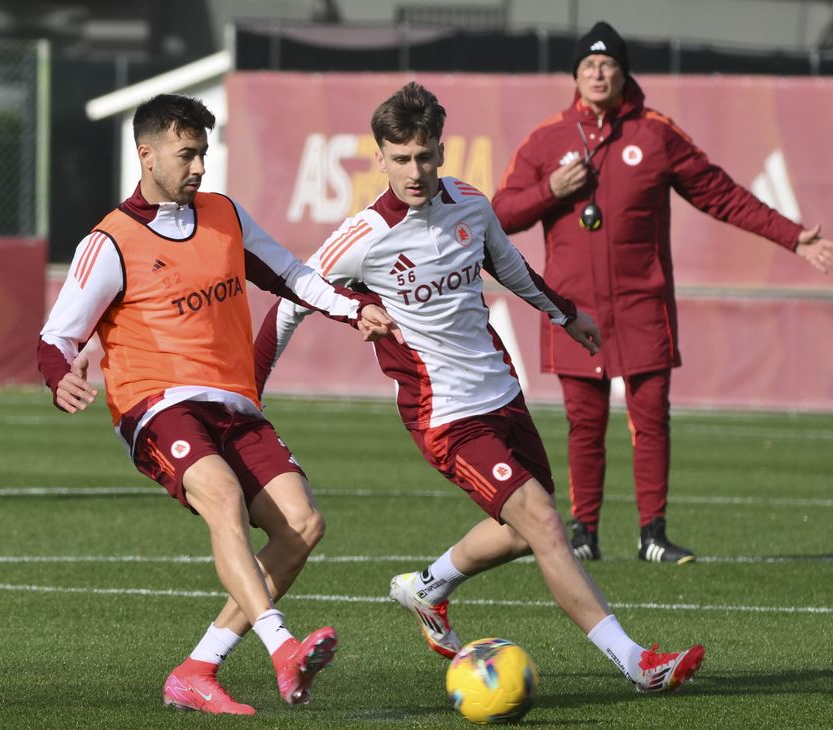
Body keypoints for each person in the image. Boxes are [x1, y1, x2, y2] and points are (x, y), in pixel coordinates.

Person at [255, 81, 704, 694]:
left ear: (441, 152)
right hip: (444, 414)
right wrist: (251, 389)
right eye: (401, 158)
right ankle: (636, 662)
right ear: (379, 158)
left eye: (425, 156)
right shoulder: (363, 235)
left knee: (523, 532)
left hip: (500, 392)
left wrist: (564, 314)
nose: (415, 171)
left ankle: (428, 586)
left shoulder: (468, 202)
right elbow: (290, 302)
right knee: (544, 523)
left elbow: (506, 263)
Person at [37, 94, 398, 716]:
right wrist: (58, 376)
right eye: (187, 153)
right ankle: (283, 650)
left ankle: (197, 669)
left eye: (204, 152)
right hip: (155, 404)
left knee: (302, 526)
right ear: (146, 155)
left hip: (234, 404)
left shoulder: (225, 214)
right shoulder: (110, 241)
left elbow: (291, 275)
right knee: (223, 496)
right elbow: (56, 337)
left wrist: (353, 308)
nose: (200, 166)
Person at [491, 21, 833, 564]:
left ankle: (652, 535)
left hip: (642, 303)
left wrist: (793, 237)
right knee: (584, 425)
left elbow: (721, 194)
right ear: (575, 76)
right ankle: (584, 533)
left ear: (624, 72)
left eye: (608, 64)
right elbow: (500, 214)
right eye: (588, 65)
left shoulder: (656, 133)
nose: (598, 73)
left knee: (651, 419)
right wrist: (550, 190)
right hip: (573, 307)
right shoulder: (547, 138)